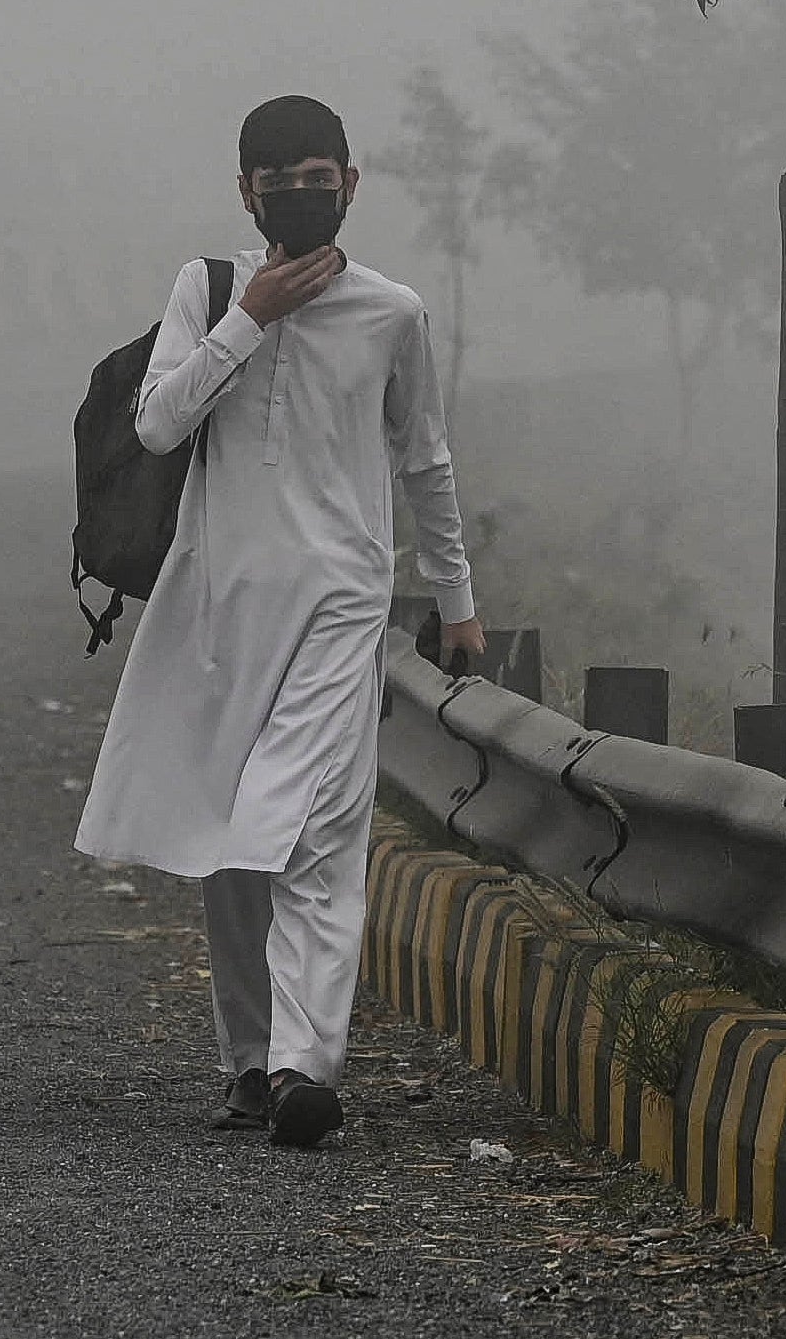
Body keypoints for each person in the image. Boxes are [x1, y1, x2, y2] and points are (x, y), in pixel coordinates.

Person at [74, 93, 483, 1150]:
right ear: (245, 191)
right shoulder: (206, 289)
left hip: (341, 602)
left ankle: (308, 1063)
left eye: (319, 176)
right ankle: (248, 1061)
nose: (300, 195)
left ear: (351, 183)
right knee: (232, 843)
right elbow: (160, 421)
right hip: (220, 609)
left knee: (307, 829)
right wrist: (247, 314)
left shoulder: (393, 311)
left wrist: (457, 600)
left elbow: (424, 458)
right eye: (277, 180)